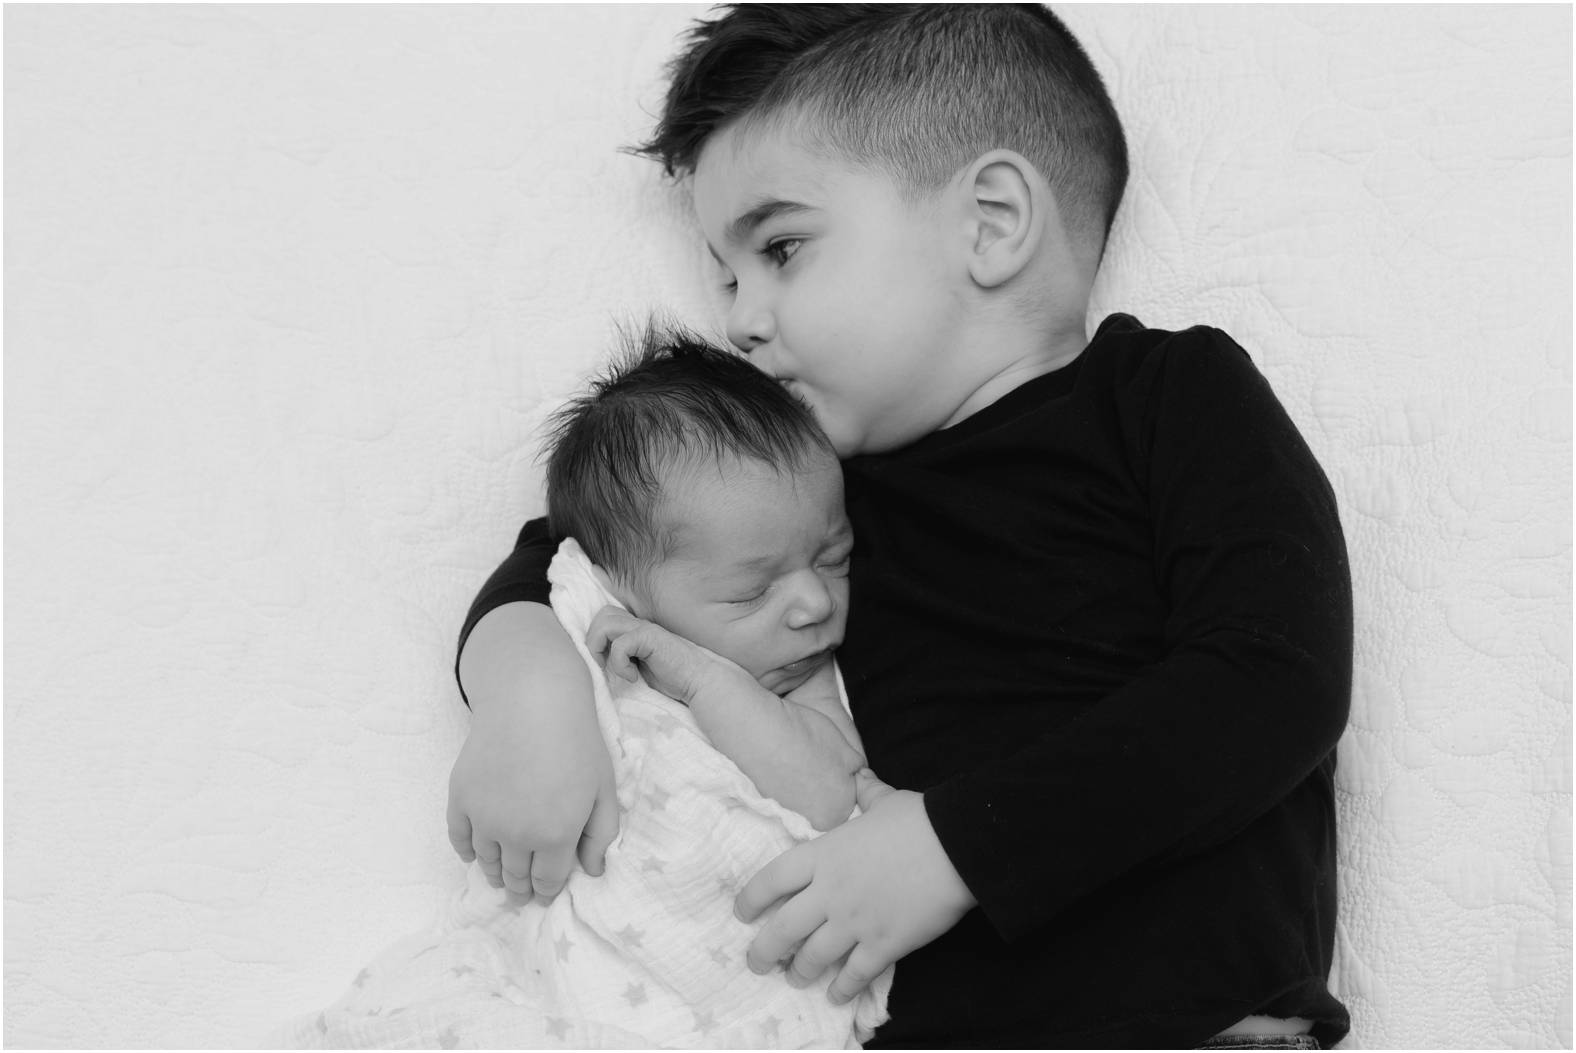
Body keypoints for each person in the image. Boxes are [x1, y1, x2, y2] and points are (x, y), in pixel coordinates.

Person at [448, 5, 1352, 1048]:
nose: (740, 317)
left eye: (781, 249)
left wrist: (953, 848)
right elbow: (565, 558)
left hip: (1183, 1018)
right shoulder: (815, 489)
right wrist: (530, 693)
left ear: (992, 221)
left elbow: (1273, 680)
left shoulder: (1165, 399)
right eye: (725, 278)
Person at [281, 325, 890, 1049]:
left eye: (834, 557)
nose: (814, 604)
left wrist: (697, 675)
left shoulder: (805, 674)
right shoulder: (582, 610)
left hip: (715, 994)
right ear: (620, 586)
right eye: (752, 590)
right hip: (556, 957)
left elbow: (824, 790)